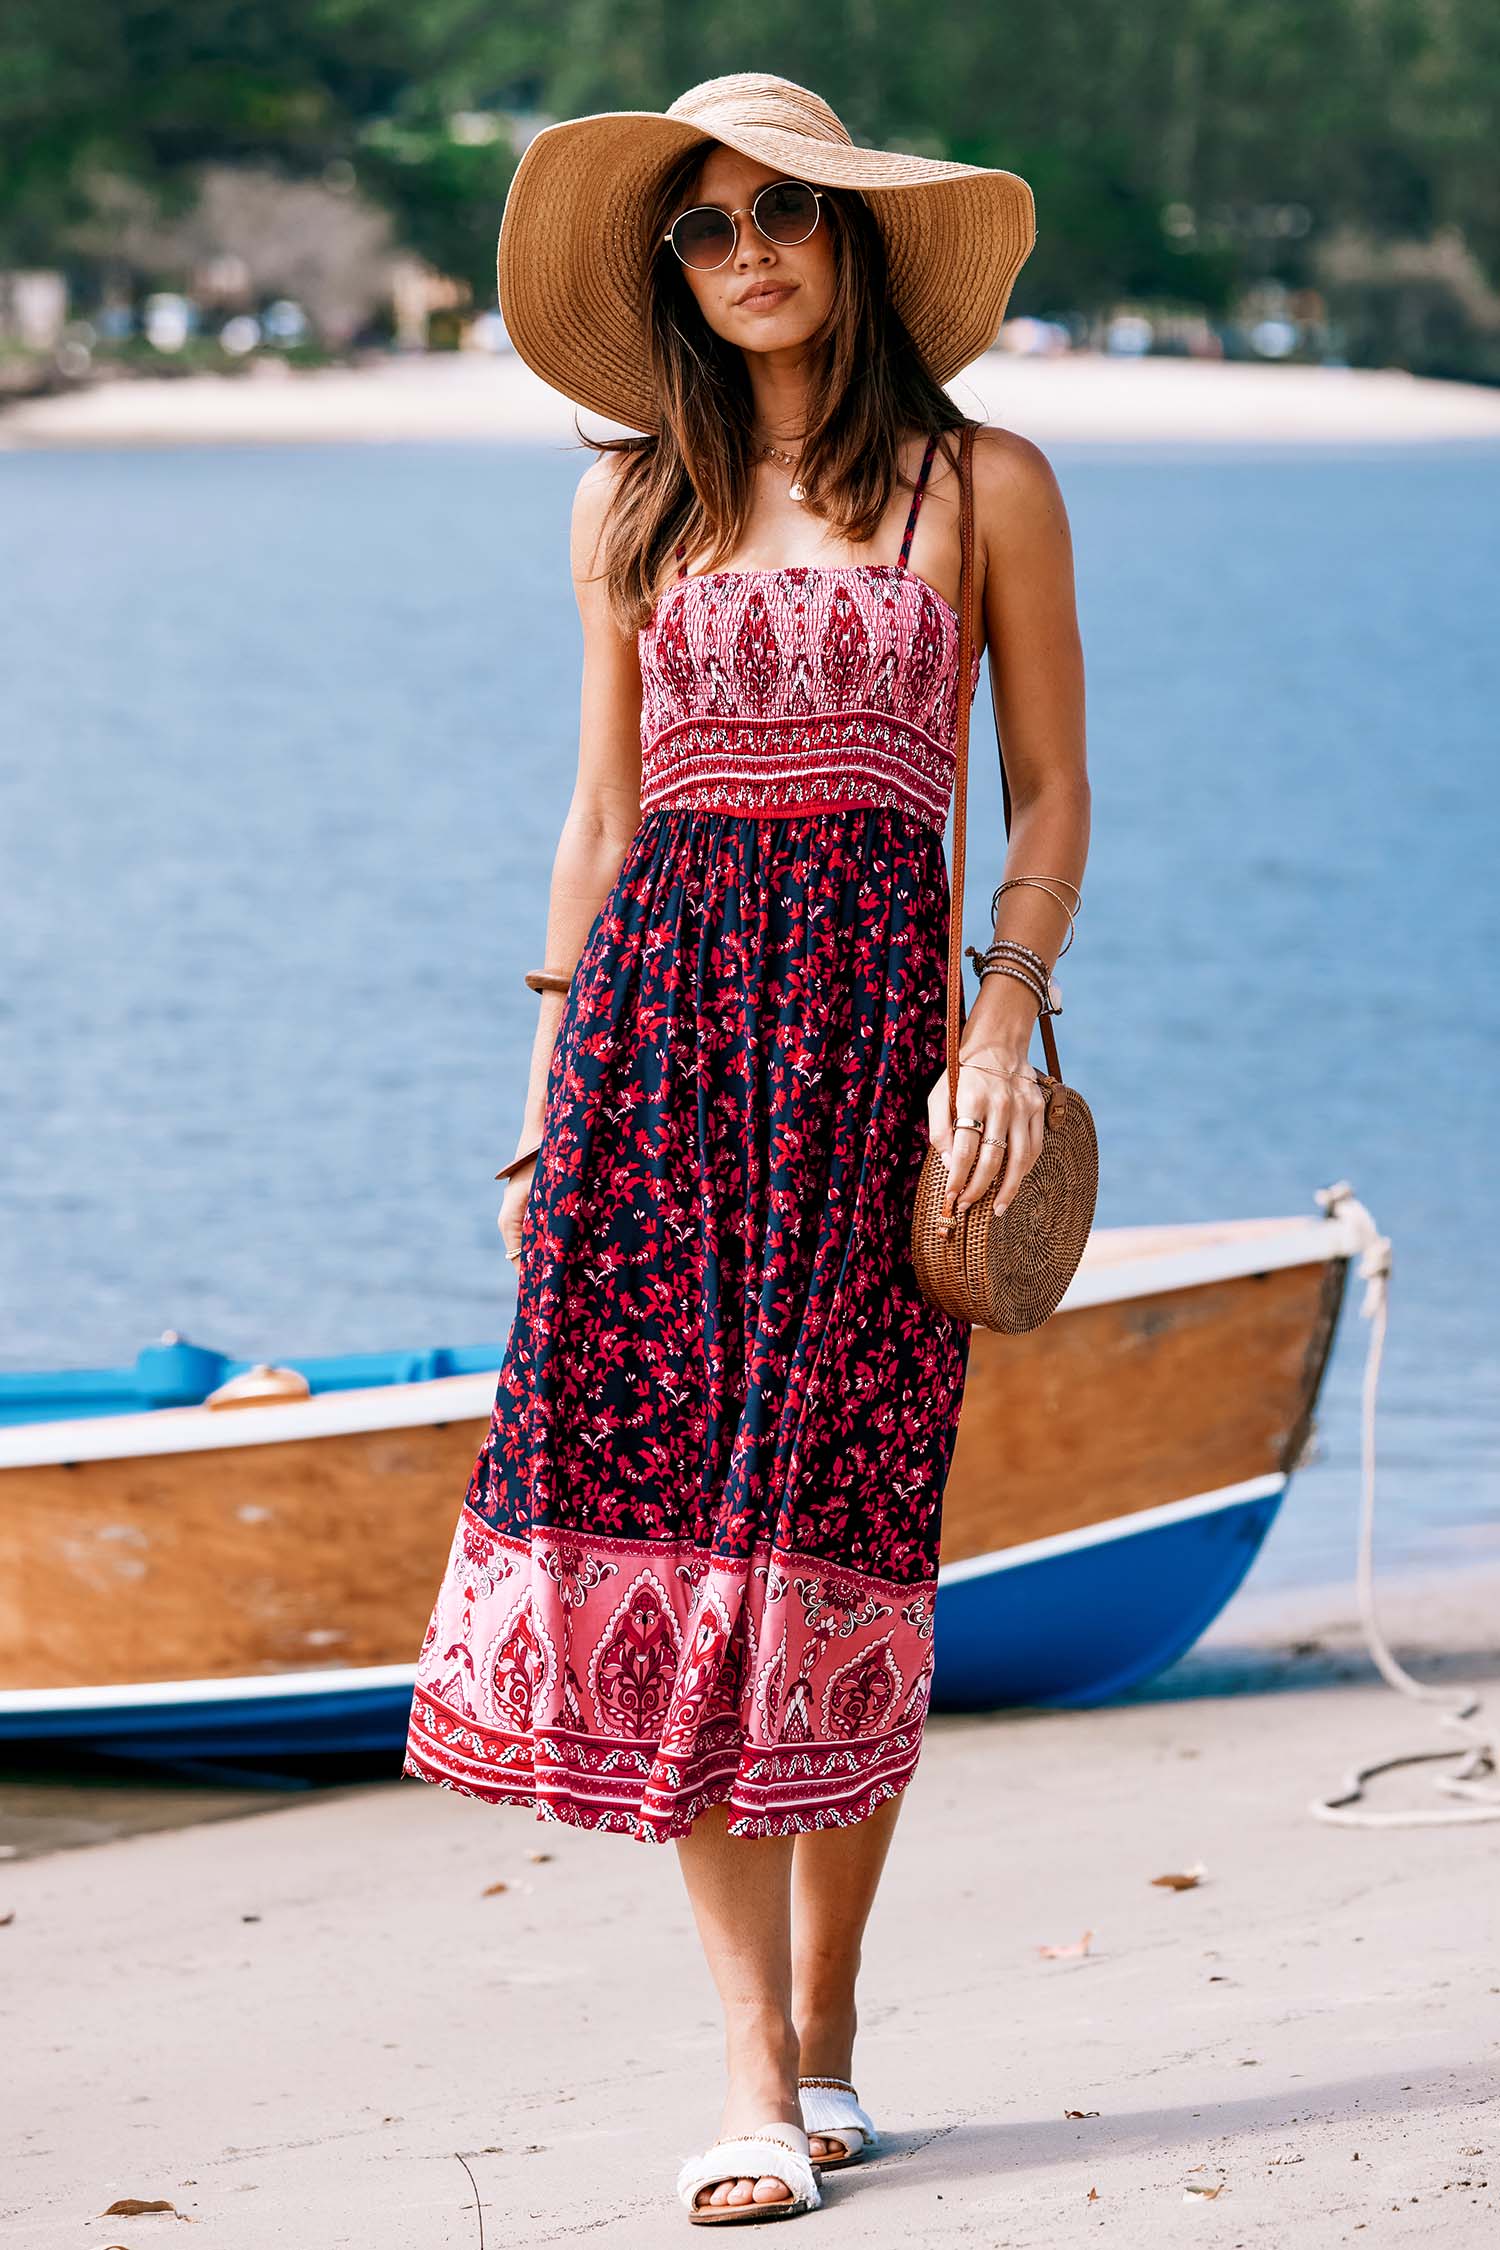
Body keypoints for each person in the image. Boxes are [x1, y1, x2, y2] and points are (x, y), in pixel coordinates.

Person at [402, 71, 1090, 2227]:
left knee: (846, 1539)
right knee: (693, 1543)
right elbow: (602, 820)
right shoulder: (633, 504)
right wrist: (541, 1103)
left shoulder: (986, 484)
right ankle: (748, 2073)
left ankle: (835, 2019)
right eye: (702, 228)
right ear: (672, 272)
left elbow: (1053, 788)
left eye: (783, 211)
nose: (748, 250)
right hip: (660, 1055)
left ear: (856, 235)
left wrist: (1001, 1014)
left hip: (884, 1069)